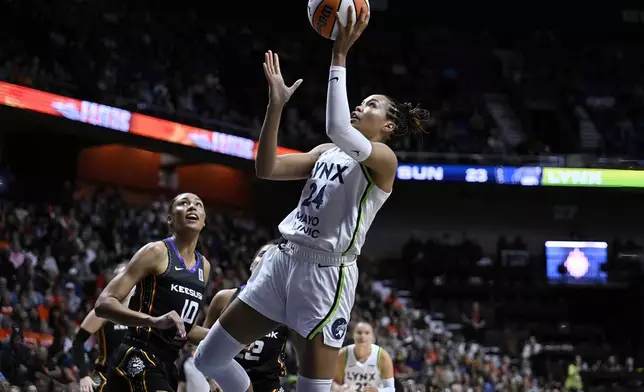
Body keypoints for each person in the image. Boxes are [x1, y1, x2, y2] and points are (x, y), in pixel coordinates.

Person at [193, 5, 429, 392]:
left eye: (371, 105)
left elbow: (337, 125)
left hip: (326, 275)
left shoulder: (384, 161)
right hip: (282, 259)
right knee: (208, 358)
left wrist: (339, 54)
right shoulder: (325, 151)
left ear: (387, 126)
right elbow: (266, 168)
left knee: (312, 388)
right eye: (362, 100)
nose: (360, 106)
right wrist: (276, 107)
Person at [95, 192, 211, 392]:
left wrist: (234, 340)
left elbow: (187, 330)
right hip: (138, 353)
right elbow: (103, 304)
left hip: (167, 364)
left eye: (198, 204)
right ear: (170, 219)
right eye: (184, 203)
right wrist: (153, 321)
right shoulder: (156, 252)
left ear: (204, 221)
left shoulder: (204, 267)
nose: (192, 207)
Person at [204, 243, 289, 392]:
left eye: (274, 257)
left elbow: (305, 358)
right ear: (251, 265)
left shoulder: (287, 310)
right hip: (227, 385)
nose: (267, 260)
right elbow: (201, 345)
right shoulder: (224, 298)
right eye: (262, 254)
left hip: (269, 387)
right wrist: (211, 379)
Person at [72, 263, 135, 392]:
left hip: (134, 380)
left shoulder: (144, 311)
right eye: (121, 276)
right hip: (107, 378)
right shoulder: (104, 309)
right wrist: (84, 375)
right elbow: (78, 342)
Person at [332, 322, 395, 392]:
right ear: (353, 335)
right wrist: (337, 388)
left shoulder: (383, 356)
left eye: (367, 333)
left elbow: (391, 389)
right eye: (359, 332)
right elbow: (335, 382)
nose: (362, 336)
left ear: (373, 337)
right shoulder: (342, 355)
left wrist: (378, 390)